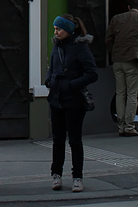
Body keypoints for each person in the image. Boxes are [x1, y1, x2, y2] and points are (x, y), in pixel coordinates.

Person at [45, 14, 98, 194]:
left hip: (73, 100)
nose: (56, 31)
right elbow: (52, 67)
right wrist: (49, 81)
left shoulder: (80, 48)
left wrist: (72, 84)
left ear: (69, 30)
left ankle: (77, 177)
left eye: (59, 29)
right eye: (55, 28)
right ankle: (56, 174)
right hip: (56, 99)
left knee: (75, 140)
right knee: (57, 140)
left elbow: (92, 73)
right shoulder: (56, 46)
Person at [105, 0, 138, 136]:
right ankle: (129, 127)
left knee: (120, 93)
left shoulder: (116, 18)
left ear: (129, 7)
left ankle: (121, 126)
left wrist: (114, 51)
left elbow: (108, 39)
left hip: (117, 59)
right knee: (132, 94)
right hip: (133, 58)